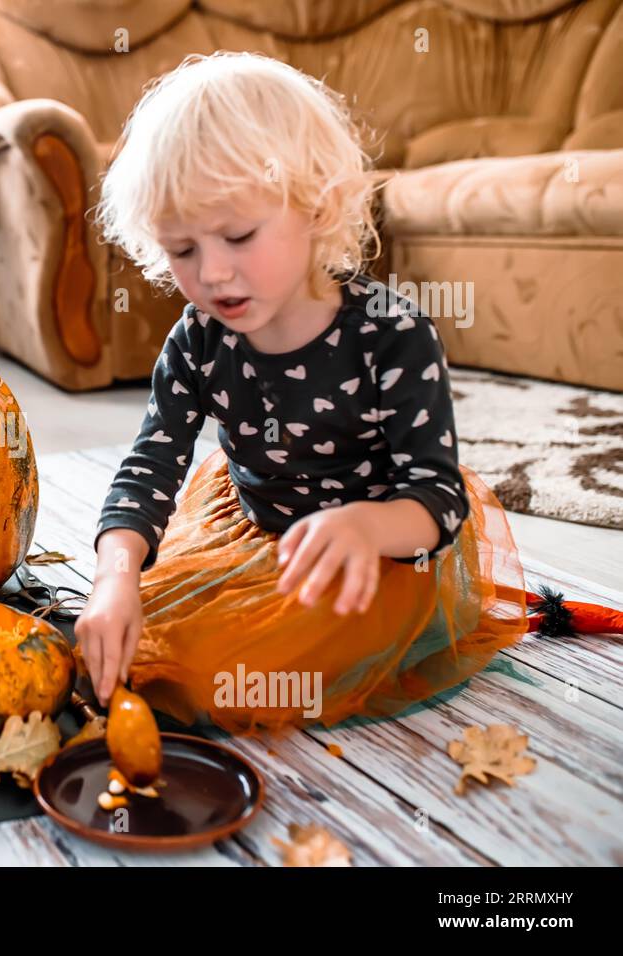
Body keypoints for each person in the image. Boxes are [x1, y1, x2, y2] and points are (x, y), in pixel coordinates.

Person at [77, 52, 527, 733]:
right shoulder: (200, 337)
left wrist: (362, 526)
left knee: (218, 678)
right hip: (253, 517)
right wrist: (115, 577)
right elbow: (148, 471)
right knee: (124, 641)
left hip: (379, 547)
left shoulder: (392, 336)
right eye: (181, 248)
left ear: (316, 207)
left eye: (237, 235)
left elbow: (436, 500)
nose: (213, 272)